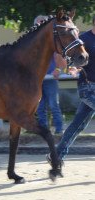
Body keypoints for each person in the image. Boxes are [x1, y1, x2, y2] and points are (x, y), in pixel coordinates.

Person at [47, 15, 95, 164]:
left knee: (76, 126)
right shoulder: (83, 39)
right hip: (87, 88)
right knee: (77, 125)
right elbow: (73, 61)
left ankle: (56, 156)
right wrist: (73, 69)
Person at [35, 15, 67, 134]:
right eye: (39, 23)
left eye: (43, 22)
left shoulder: (51, 39)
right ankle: (43, 131)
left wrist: (58, 69)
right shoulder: (33, 42)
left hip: (50, 78)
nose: (40, 24)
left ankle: (59, 130)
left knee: (54, 105)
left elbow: (61, 58)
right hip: (37, 80)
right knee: (40, 106)